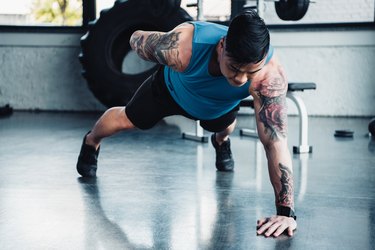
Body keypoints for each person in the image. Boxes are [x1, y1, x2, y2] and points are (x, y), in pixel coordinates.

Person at [76, 10, 297, 238]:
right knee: (125, 119)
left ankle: (221, 142)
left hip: (218, 106)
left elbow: (275, 143)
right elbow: (135, 38)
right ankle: (91, 141)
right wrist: (146, 40)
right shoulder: (183, 47)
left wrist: (286, 212)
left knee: (225, 128)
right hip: (170, 91)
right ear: (221, 47)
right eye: (234, 68)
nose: (240, 79)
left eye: (250, 73)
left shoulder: (269, 76)